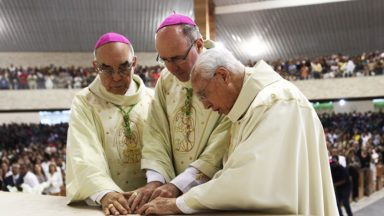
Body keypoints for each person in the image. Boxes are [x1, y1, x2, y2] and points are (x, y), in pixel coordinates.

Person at [138, 47, 338, 215]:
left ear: (223, 76)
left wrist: (180, 204)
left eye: (204, 95)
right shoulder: (248, 108)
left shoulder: (275, 102)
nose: (206, 105)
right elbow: (231, 173)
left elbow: (248, 181)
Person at [127, 14, 231, 212]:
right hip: (167, 197)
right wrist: (156, 181)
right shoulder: (166, 79)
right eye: (164, 60)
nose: (172, 68)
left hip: (210, 198)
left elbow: (222, 143)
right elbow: (156, 133)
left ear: (199, 45)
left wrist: (178, 186)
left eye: (177, 58)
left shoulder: (224, 74)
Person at [65, 32, 153, 215]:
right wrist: (106, 193)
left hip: (153, 200)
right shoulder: (85, 102)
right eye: (107, 69)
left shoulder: (153, 98)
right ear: (95, 66)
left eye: (123, 68)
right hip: (110, 206)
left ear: (134, 63)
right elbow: (84, 155)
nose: (116, 78)